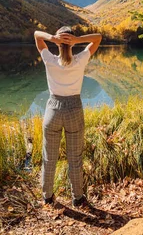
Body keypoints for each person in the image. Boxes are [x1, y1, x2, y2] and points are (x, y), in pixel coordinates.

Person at [34, 26, 102, 208]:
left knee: (49, 157)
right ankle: (77, 198)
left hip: (53, 111)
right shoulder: (80, 60)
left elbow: (36, 35)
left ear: (57, 43)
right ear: (71, 43)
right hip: (73, 110)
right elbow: (98, 38)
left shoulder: (49, 59)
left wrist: (52, 38)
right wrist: (77, 40)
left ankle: (47, 196)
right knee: (75, 157)